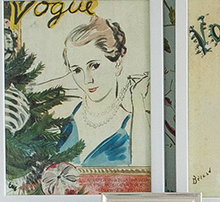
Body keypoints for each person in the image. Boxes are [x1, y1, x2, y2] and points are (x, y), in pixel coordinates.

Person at [57, 15, 150, 168]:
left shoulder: (135, 119)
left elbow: (142, 178)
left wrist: (138, 100)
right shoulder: (66, 118)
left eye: (94, 66)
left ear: (118, 62)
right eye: (77, 70)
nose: (87, 80)